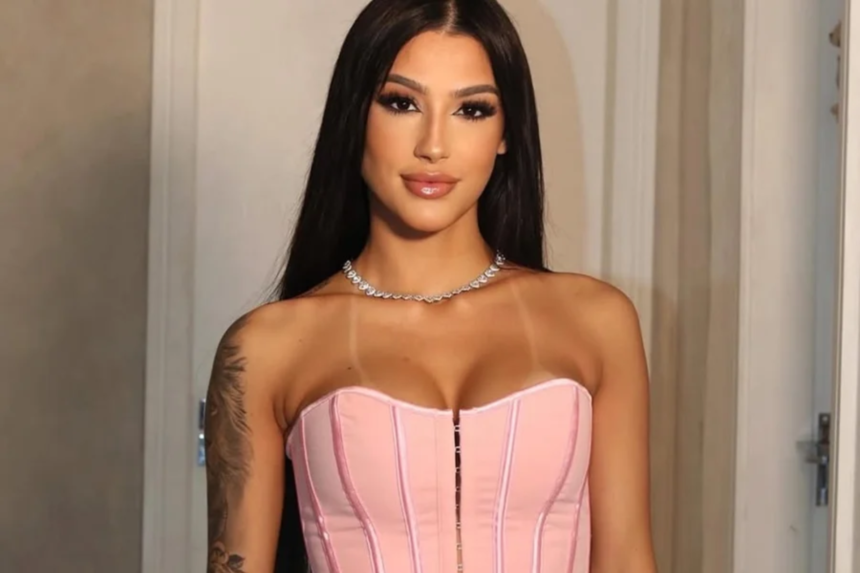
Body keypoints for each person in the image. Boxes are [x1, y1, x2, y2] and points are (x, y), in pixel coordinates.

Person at [203, 0, 657, 571]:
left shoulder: (596, 321)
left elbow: (627, 557)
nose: (433, 146)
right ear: (353, 115)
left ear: (506, 133)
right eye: (402, 103)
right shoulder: (265, 348)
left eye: (472, 109)